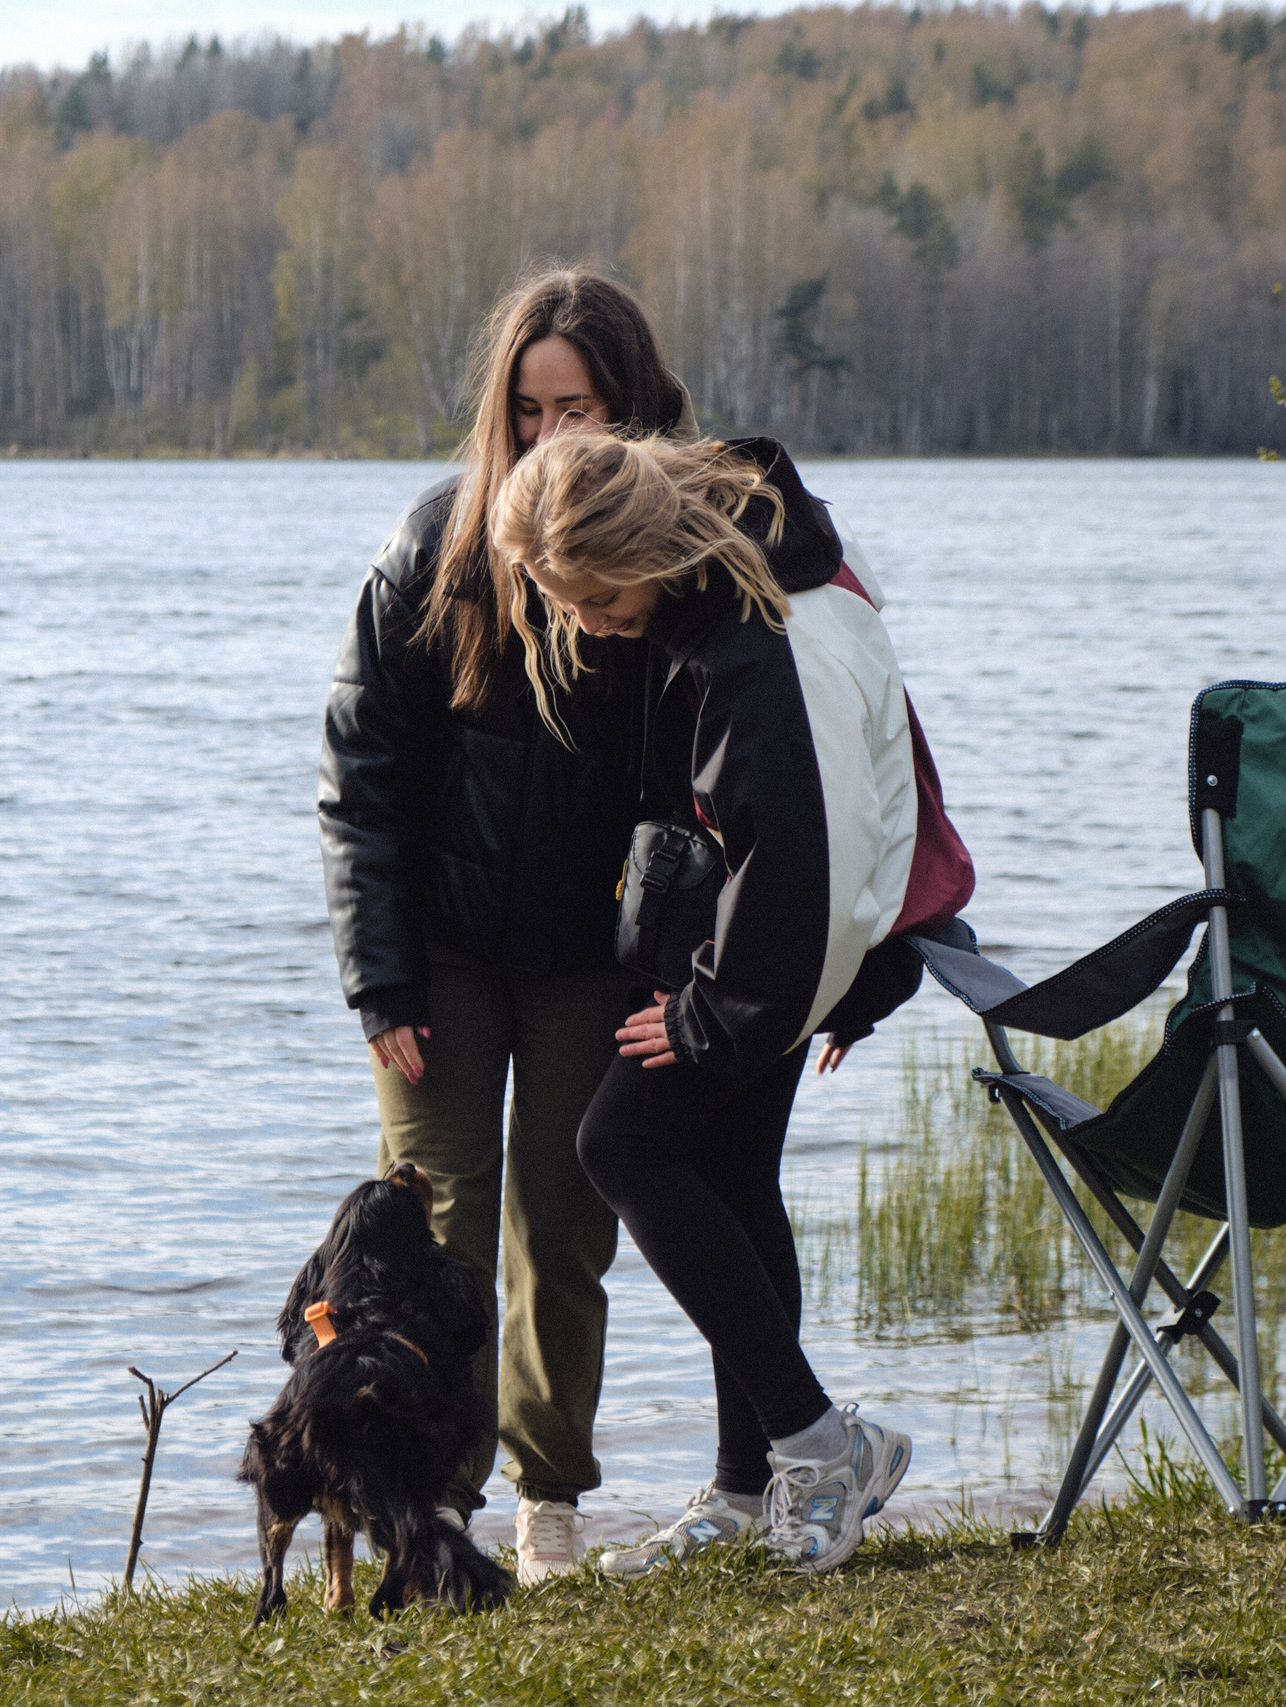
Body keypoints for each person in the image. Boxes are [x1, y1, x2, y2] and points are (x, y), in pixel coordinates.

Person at [489, 430, 974, 1578]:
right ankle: (749, 1483)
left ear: (652, 546)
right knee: (730, 1174)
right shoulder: (732, 580)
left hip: (802, 947)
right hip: (795, 944)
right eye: (565, 602)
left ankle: (822, 1446)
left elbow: (799, 859)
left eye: (602, 596)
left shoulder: (760, 644)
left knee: (624, 1143)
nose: (591, 621)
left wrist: (717, 1016)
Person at [316, 268, 692, 1581]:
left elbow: (709, 792)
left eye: (575, 407)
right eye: (527, 411)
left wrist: (683, 973)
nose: (547, 437)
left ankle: (550, 1509)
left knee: (565, 1227)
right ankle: (429, 1508)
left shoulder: (677, 567)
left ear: (629, 408)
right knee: (430, 1237)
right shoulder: (431, 547)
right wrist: (379, 979)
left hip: (599, 965)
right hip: (442, 960)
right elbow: (357, 781)